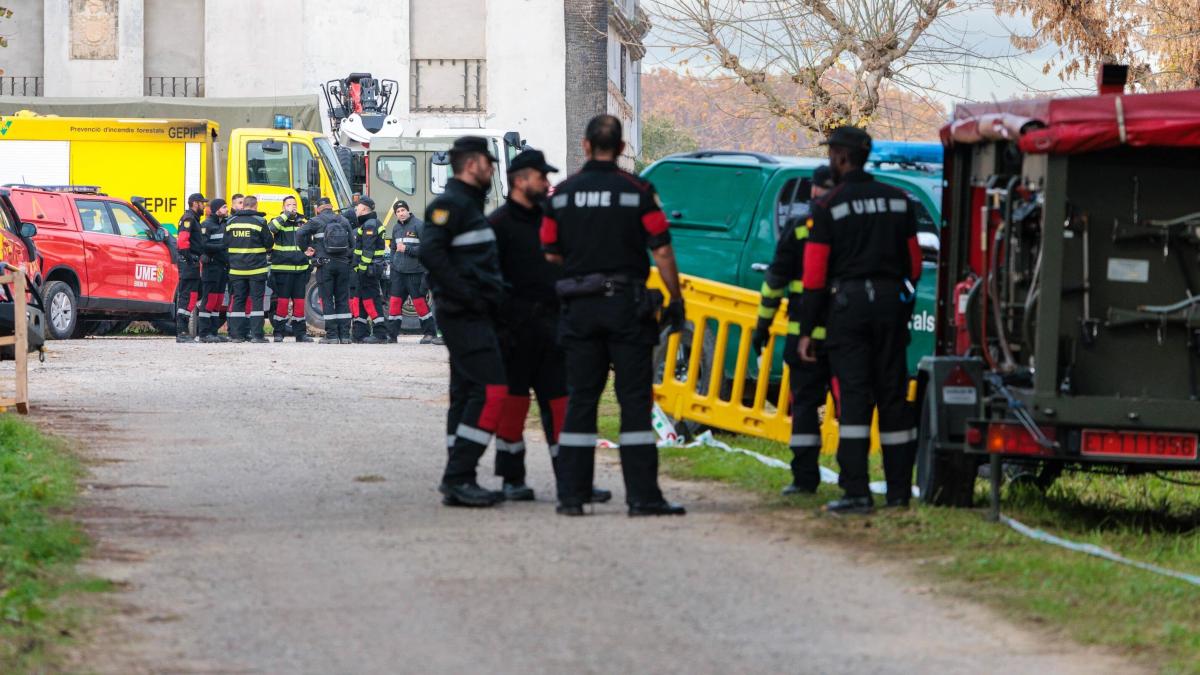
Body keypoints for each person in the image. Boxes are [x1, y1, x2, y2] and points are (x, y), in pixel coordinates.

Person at [541, 114, 687, 517]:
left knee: (580, 401)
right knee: (634, 401)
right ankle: (643, 498)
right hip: (627, 307)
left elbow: (550, 253)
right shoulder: (638, 191)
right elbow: (661, 249)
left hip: (579, 310)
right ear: (621, 148)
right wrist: (675, 299)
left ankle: (572, 496)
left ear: (585, 146)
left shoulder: (561, 195)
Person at [798, 126, 923, 514]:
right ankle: (900, 492)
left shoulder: (828, 205)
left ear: (841, 156)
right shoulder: (899, 200)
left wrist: (807, 330)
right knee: (893, 398)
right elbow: (915, 265)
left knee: (854, 400)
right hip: (890, 308)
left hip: (848, 310)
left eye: (831, 154)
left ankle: (857, 492)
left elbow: (814, 275)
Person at [488, 148, 613, 504]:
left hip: (556, 330)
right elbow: (487, 280)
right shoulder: (497, 224)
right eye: (541, 177)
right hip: (513, 333)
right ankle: (512, 479)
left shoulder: (553, 218)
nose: (547, 183)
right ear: (521, 180)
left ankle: (574, 482)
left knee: (562, 407)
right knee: (513, 410)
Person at [418, 136, 508, 508]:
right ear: (473, 164)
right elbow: (430, 253)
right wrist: (466, 296)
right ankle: (458, 475)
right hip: (464, 315)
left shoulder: (469, 206)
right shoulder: (450, 205)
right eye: (489, 163)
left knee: (466, 393)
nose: (491, 170)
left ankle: (461, 476)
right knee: (492, 390)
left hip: (475, 312)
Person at [751, 166, 835, 496]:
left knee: (803, 407)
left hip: (806, 337)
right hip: (846, 336)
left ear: (812, 191)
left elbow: (774, 284)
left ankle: (804, 479)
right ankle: (855, 483)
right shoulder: (849, 226)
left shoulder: (800, 227)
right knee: (853, 408)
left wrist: (762, 326)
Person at [298, 197, 355, 344]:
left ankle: (332, 336)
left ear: (318, 208)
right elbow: (352, 244)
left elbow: (299, 234)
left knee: (327, 299)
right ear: (331, 206)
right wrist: (346, 258)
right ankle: (345, 336)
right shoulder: (343, 220)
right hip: (343, 265)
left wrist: (306, 248)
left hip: (325, 265)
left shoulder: (315, 221)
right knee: (343, 299)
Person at [387, 200, 441, 344]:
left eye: (403, 210)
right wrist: (393, 265)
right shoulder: (396, 228)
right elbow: (393, 249)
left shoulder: (419, 225)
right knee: (394, 303)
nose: (401, 213)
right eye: (398, 212)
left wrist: (407, 249)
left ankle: (430, 334)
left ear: (408, 211)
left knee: (419, 303)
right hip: (398, 272)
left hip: (415, 272)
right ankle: (392, 335)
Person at [225, 195, 273, 343]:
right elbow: (269, 243)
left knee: (238, 300)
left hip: (236, 269)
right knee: (256, 302)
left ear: (243, 205)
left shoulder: (230, 222)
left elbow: (225, 243)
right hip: (256, 270)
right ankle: (257, 335)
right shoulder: (259, 222)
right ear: (255, 206)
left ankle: (237, 335)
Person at [268, 195, 312, 342]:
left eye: (294, 204)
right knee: (282, 302)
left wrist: (309, 259)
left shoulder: (303, 222)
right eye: (289, 205)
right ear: (283, 207)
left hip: (300, 269)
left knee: (299, 303)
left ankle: (300, 334)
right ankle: (278, 333)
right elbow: (271, 228)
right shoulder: (279, 221)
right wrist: (286, 215)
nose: (292, 206)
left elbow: (310, 243)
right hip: (282, 269)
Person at [351, 196, 388, 344]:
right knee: (360, 300)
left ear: (364, 209)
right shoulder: (368, 223)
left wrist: (361, 268)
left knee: (371, 300)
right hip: (367, 269)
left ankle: (380, 334)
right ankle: (359, 333)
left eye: (358, 207)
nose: (356, 210)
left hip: (368, 270)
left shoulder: (370, 224)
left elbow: (368, 250)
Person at [197, 198, 230, 343]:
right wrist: (222, 246)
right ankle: (204, 333)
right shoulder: (206, 225)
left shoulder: (224, 224)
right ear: (217, 209)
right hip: (211, 267)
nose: (227, 209)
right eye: (224, 207)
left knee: (217, 301)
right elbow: (203, 245)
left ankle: (213, 332)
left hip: (222, 267)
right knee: (209, 301)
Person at [173, 192, 206, 343]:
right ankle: (182, 331)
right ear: (195, 203)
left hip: (193, 262)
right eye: (202, 203)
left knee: (194, 294)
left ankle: (187, 330)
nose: (204, 206)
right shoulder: (188, 218)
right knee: (186, 295)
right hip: (188, 262)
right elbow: (182, 241)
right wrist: (189, 258)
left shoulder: (195, 219)